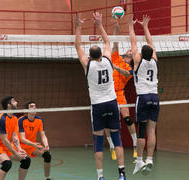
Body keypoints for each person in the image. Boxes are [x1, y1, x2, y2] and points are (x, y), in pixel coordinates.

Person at [74, 12, 126, 180]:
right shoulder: (108, 60)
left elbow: (77, 46)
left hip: (97, 106)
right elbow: (107, 41)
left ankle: (101, 177)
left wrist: (79, 26)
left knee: (98, 142)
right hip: (112, 103)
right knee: (116, 138)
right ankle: (122, 174)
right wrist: (100, 24)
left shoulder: (87, 65)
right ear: (101, 55)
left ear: (90, 56)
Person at [114, 14, 159, 175]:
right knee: (152, 130)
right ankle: (150, 159)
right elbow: (150, 42)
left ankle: (139, 160)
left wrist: (131, 25)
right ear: (151, 52)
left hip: (144, 97)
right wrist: (146, 26)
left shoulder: (137, 61)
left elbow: (133, 41)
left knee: (142, 130)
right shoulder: (155, 60)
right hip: (155, 97)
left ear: (140, 54)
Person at [105, 20, 137, 161]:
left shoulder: (131, 69)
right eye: (129, 50)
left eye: (132, 50)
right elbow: (115, 42)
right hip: (107, 93)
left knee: (128, 119)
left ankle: (136, 145)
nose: (131, 50)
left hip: (119, 94)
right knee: (107, 122)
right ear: (125, 53)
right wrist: (116, 28)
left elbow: (125, 74)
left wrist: (115, 68)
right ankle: (112, 146)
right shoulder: (116, 57)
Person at [0, 96, 31, 180]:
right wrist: (15, 153)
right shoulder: (2, 119)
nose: (17, 103)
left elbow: (15, 137)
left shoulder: (15, 118)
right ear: (9, 105)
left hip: (6, 146)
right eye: (14, 101)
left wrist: (19, 149)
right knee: (7, 163)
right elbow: (4, 140)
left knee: (26, 160)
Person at [18, 101, 52, 180]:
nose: (34, 107)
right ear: (27, 110)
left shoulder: (39, 120)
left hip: (32, 145)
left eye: (35, 106)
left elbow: (43, 135)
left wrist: (46, 145)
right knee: (25, 161)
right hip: (20, 146)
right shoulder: (21, 120)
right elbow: (22, 139)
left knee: (47, 155)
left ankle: (47, 178)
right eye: (32, 106)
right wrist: (35, 145)